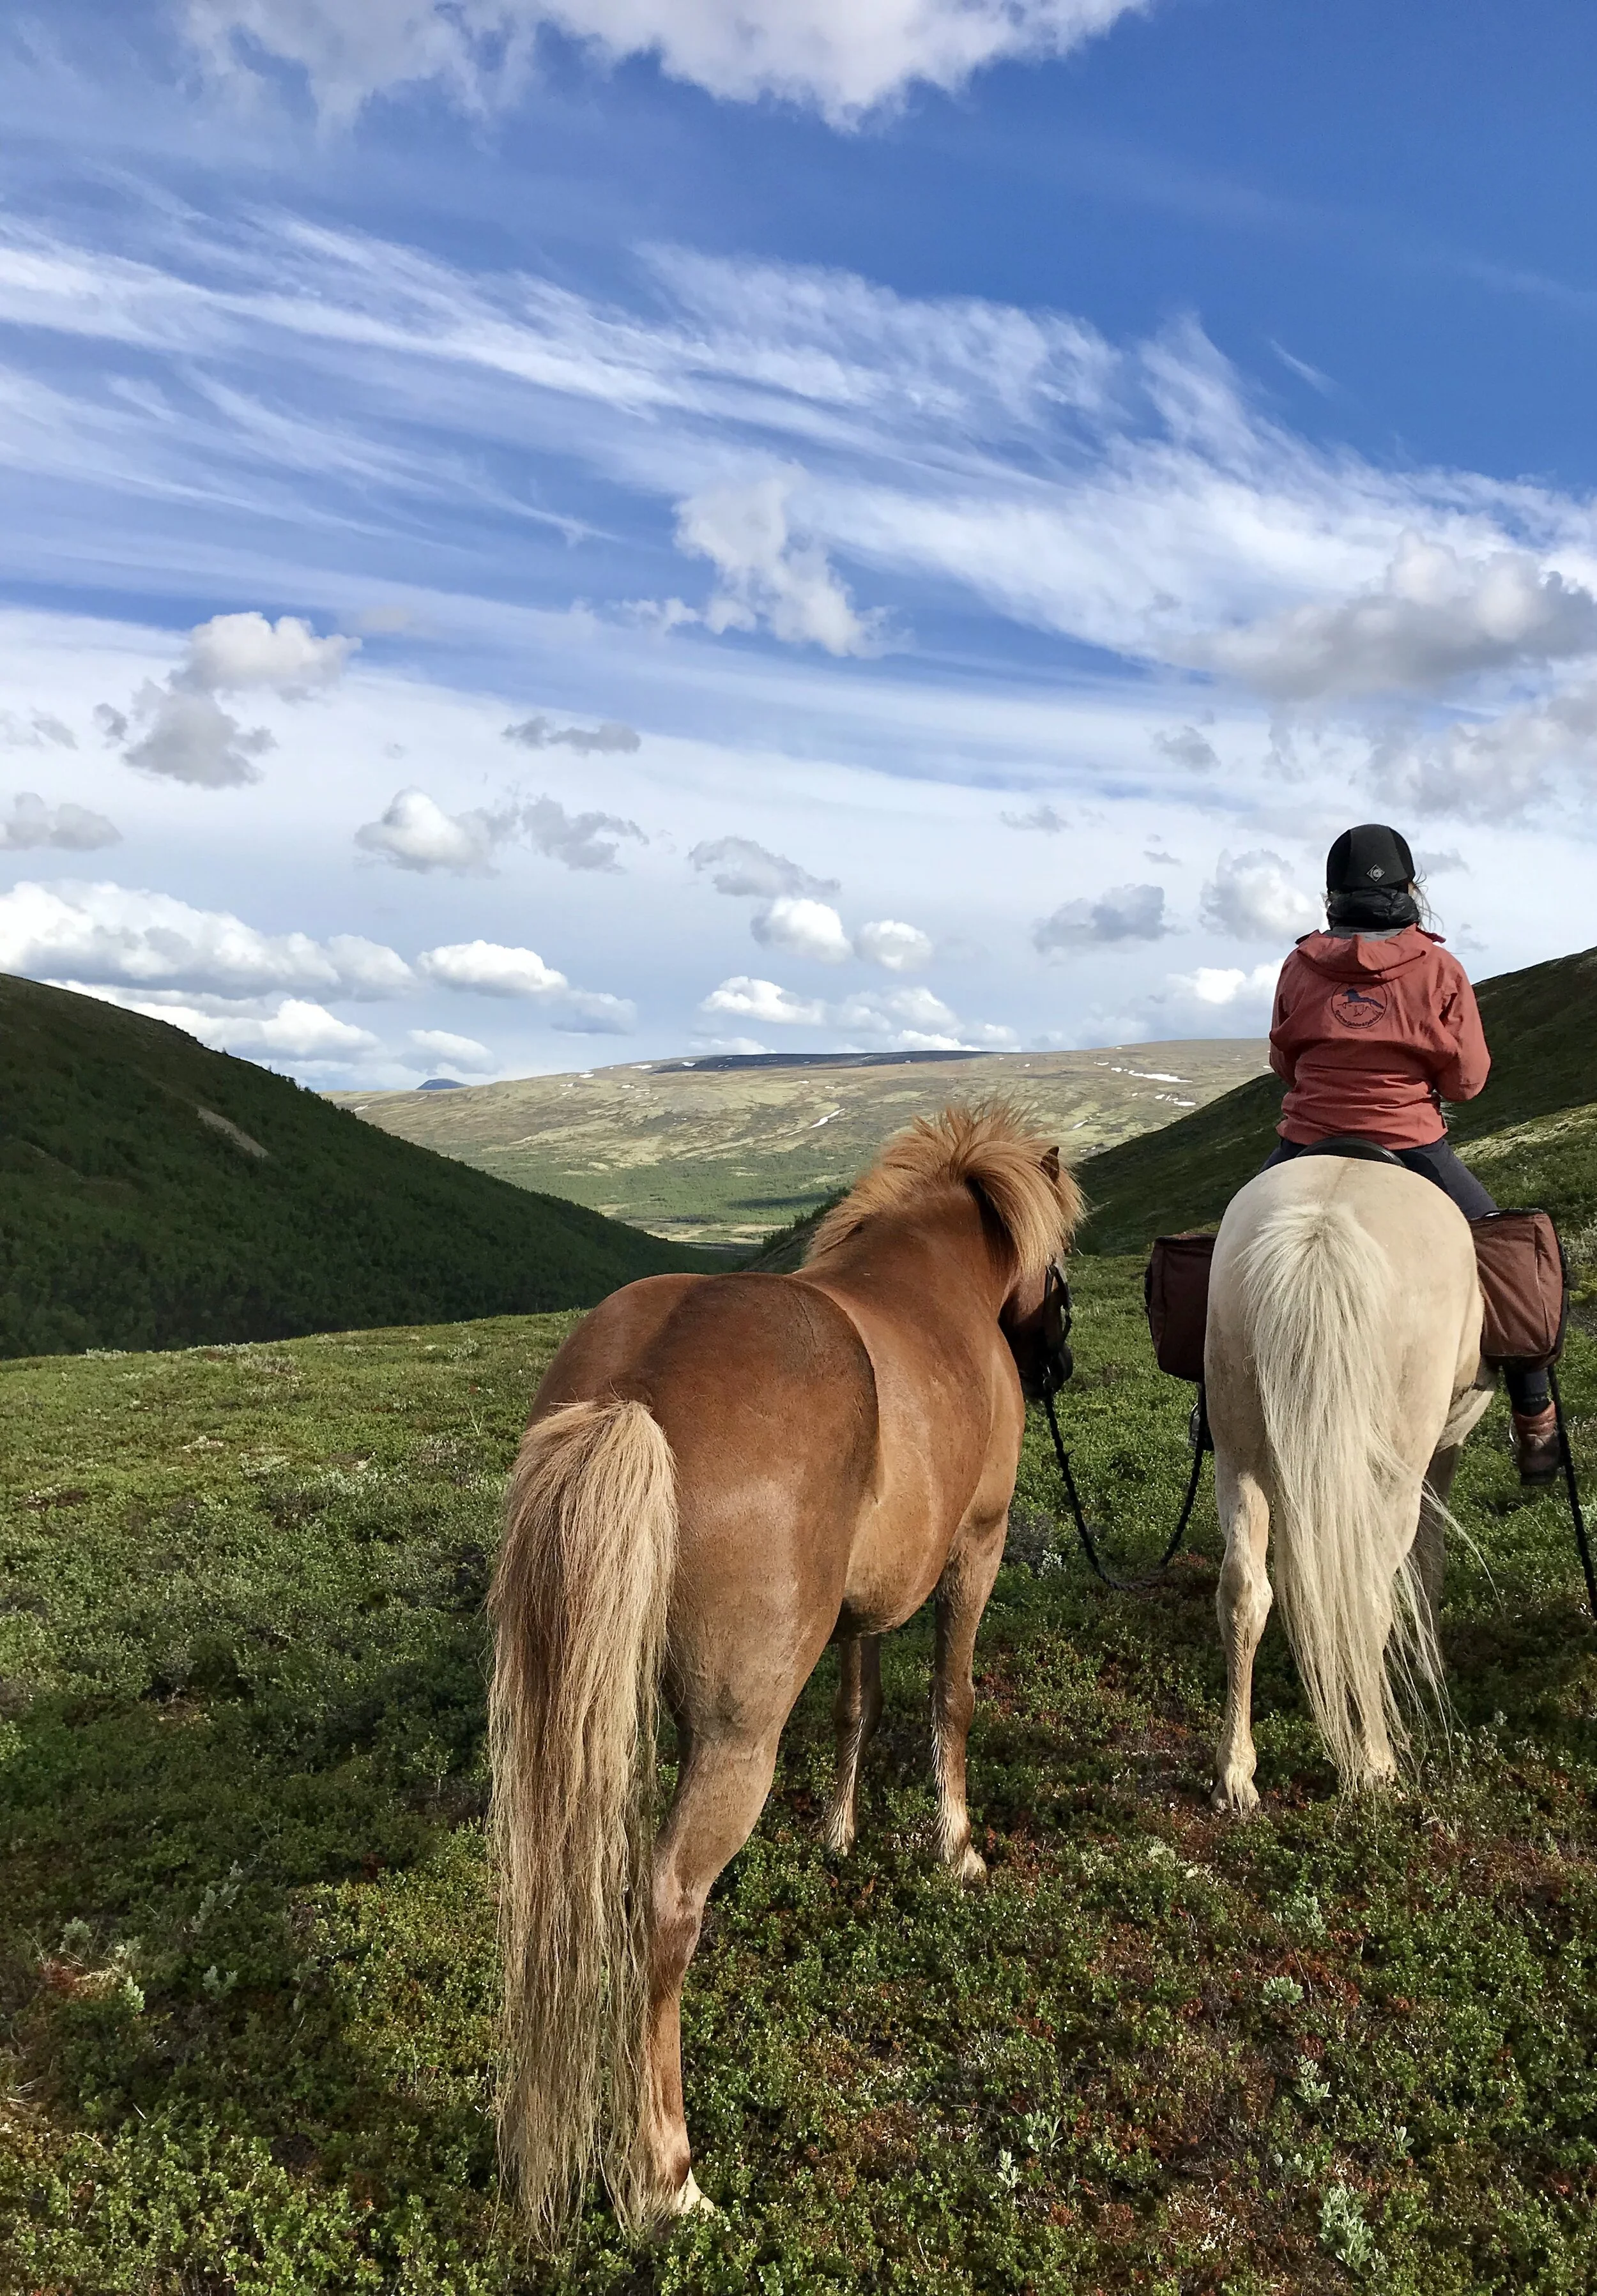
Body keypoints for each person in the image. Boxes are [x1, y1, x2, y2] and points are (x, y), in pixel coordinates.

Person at [1260, 822, 1559, 1486]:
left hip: (1305, 1139)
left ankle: (1212, 1403)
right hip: (1411, 1144)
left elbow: (1283, 1062)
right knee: (1515, 1258)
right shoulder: (1439, 968)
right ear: (1408, 888)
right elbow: (1468, 1080)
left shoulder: (1297, 964)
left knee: (1231, 1243)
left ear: (1331, 894)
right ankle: (1534, 1418)